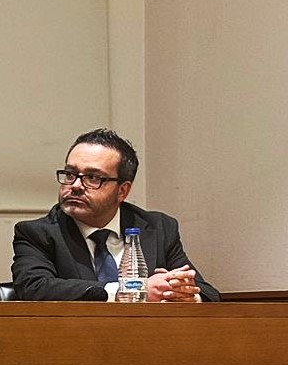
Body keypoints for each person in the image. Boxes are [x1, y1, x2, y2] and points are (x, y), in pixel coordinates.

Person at [11, 129, 217, 301]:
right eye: (70, 174)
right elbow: (34, 288)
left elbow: (207, 293)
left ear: (122, 191)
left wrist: (183, 293)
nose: (75, 186)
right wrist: (128, 291)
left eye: (92, 178)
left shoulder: (158, 228)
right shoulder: (37, 233)